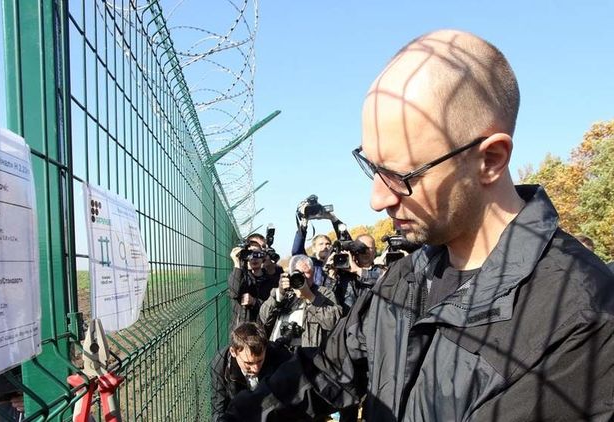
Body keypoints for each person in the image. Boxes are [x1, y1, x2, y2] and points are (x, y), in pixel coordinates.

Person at [225, 29, 614, 421]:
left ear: (490, 159)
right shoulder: (406, 278)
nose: (378, 199)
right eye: (373, 166)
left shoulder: (582, 320)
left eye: (401, 175)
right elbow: (325, 373)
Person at [210, 322, 291, 421]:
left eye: (260, 361)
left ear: (266, 349)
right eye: (248, 363)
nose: (255, 369)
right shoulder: (221, 364)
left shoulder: (281, 357)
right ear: (233, 352)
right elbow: (218, 407)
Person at [259, 255, 341, 350]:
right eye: (298, 273)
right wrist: (279, 294)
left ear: (313, 273)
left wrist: (310, 297)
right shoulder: (285, 292)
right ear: (290, 274)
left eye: (307, 273)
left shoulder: (324, 293)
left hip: (307, 352)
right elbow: (264, 317)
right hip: (278, 350)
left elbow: (334, 322)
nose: (303, 277)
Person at [228, 241, 268, 328]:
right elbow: (234, 293)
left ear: (263, 257)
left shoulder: (269, 280)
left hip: (261, 328)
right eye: (250, 254)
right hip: (241, 329)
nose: (254, 258)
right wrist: (237, 264)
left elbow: (271, 307)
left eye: (257, 254)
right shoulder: (239, 275)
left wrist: (254, 302)